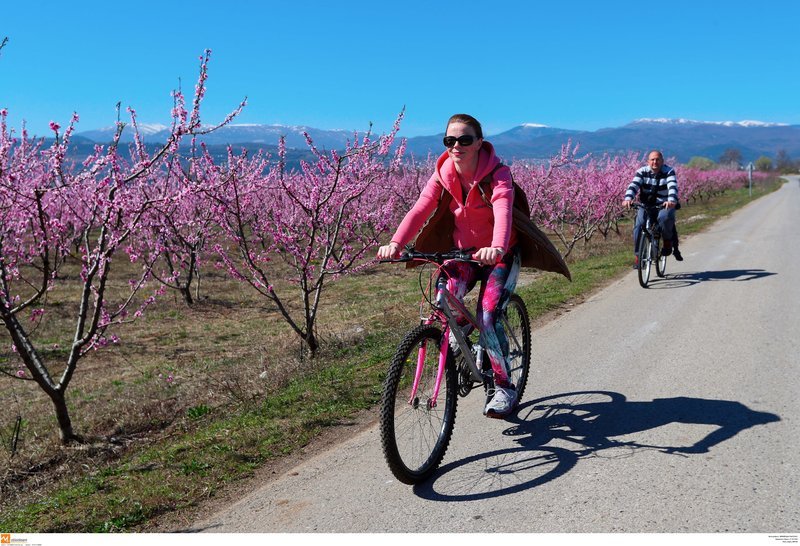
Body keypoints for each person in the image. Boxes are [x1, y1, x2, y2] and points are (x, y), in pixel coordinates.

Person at [376, 113, 520, 418]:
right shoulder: (442, 173)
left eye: (465, 139)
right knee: (445, 294)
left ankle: (505, 385)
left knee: (490, 315)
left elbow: (504, 211)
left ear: (479, 143)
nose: (457, 146)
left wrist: (496, 247)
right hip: (464, 254)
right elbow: (420, 209)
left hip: (499, 255)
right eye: (450, 140)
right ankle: (463, 327)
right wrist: (397, 244)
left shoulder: (498, 174)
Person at [622, 150, 683, 266]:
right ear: (648, 161)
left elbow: (672, 187)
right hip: (645, 205)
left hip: (664, 204)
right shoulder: (642, 172)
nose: (655, 162)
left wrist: (671, 200)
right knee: (639, 226)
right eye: (652, 159)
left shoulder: (669, 171)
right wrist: (628, 198)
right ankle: (639, 256)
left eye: (657, 159)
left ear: (662, 161)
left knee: (665, 218)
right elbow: (634, 185)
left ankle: (667, 242)